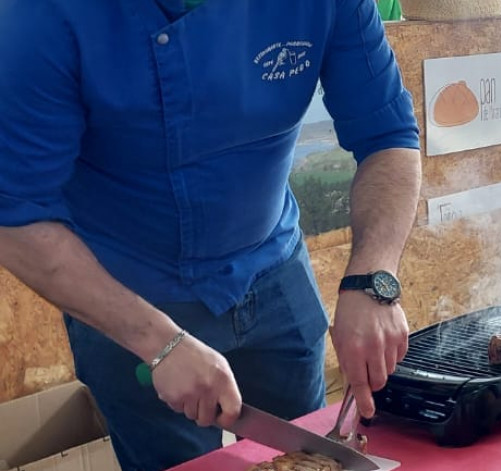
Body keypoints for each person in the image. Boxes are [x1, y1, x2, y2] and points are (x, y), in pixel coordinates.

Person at [0, 1, 421, 470]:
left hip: (275, 273)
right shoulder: (40, 12)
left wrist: (372, 279)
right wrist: (157, 341)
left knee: (310, 457)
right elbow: (17, 214)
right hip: (127, 297)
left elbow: (388, 135)